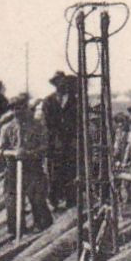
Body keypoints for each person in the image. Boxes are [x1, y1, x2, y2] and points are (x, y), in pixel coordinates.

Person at [0, 94, 52, 236]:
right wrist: (13, 153)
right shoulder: (6, 128)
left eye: (20, 108)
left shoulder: (38, 126)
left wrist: (30, 153)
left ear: (26, 108)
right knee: (12, 200)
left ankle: (43, 228)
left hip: (33, 167)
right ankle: (16, 231)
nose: (17, 112)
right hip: (13, 168)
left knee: (38, 198)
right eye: (14, 109)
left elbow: (45, 147)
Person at [42, 71, 80, 209]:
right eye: (58, 83)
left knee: (70, 171)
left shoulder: (75, 100)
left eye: (63, 82)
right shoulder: (48, 101)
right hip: (54, 143)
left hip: (70, 142)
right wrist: (54, 138)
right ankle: (54, 200)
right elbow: (46, 123)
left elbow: (78, 121)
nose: (61, 85)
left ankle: (71, 200)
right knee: (53, 172)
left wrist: (74, 138)